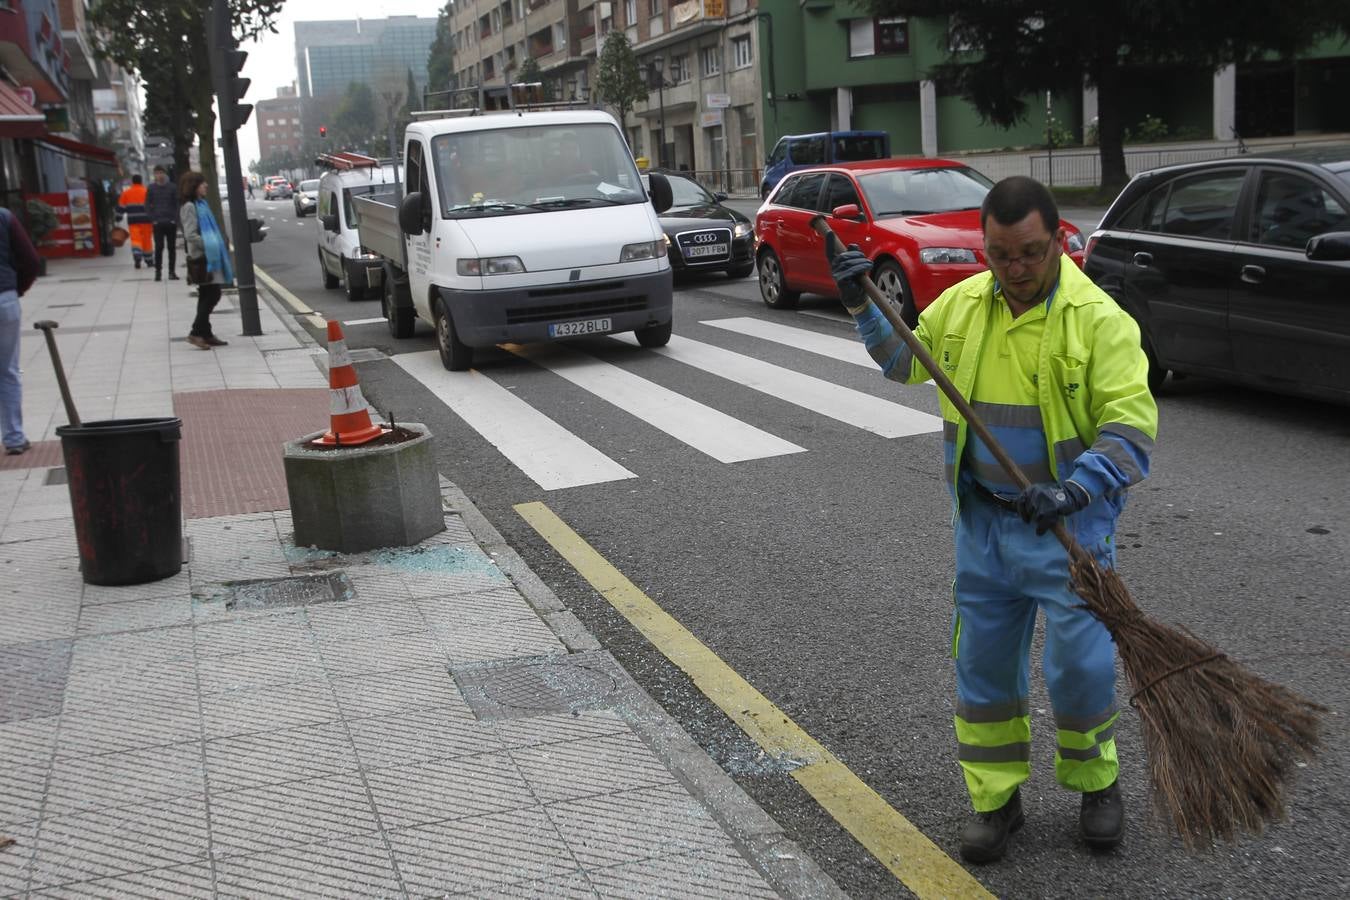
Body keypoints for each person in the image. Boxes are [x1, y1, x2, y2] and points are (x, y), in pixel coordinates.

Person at [829, 176, 1158, 863]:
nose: (1015, 270)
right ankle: (995, 799)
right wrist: (864, 304)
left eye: (1031, 254)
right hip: (984, 530)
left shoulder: (1097, 321)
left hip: (1068, 535)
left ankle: (1097, 785)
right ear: (985, 245)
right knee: (982, 674)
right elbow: (900, 362)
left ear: (1059, 239)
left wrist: (1074, 491)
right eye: (1001, 255)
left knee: (1080, 671)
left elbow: (1130, 430)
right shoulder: (962, 307)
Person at [0, 204, 40, 455]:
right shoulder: (4, 217)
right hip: (4, 299)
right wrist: (18, 289)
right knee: (7, 370)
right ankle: (14, 437)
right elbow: (30, 260)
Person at [178, 171, 233, 350]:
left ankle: (206, 333)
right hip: (203, 257)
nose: (206, 186)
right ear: (194, 186)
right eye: (202, 184)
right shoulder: (190, 207)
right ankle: (196, 333)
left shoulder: (201, 204)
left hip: (210, 256)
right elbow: (190, 235)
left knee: (208, 294)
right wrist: (211, 244)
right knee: (211, 294)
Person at [145, 166, 178, 281]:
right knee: (159, 247)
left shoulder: (172, 187)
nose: (159, 175)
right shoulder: (151, 188)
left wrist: (175, 218)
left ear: (165, 174)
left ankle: (171, 272)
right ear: (154, 175)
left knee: (171, 248)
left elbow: (176, 203)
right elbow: (147, 204)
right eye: (157, 173)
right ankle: (158, 272)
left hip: (170, 222)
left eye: (161, 173)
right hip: (158, 222)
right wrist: (152, 219)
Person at [116, 174, 153, 269]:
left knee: (136, 239)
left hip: (133, 220)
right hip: (146, 220)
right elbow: (153, 206)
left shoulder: (126, 193)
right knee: (147, 240)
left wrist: (118, 217)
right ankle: (149, 260)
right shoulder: (147, 192)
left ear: (133, 182)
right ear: (141, 181)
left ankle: (137, 256)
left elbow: (121, 207)